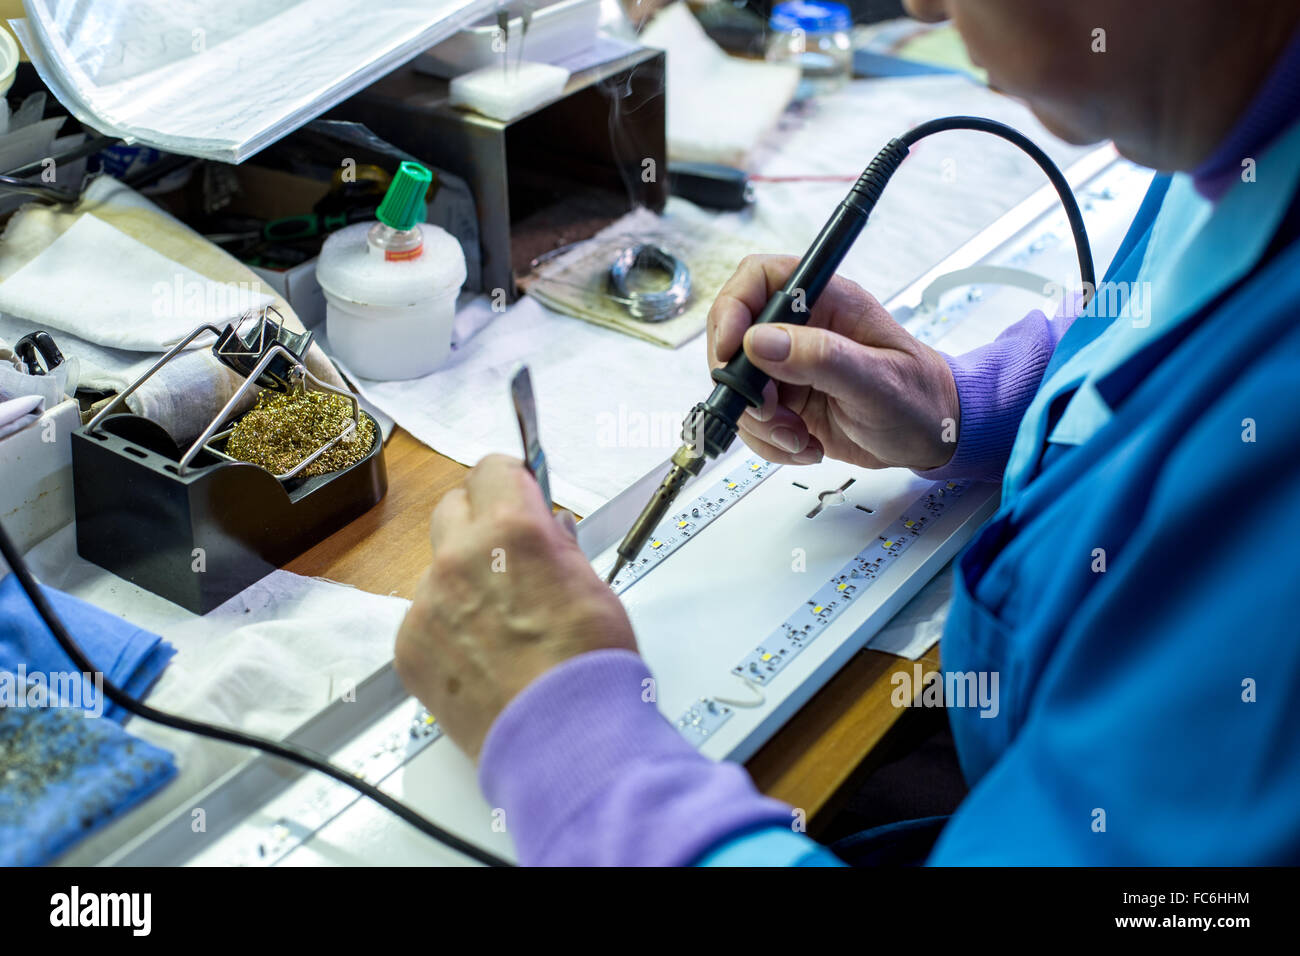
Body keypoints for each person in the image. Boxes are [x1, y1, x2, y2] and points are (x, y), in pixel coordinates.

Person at [394, 0, 1300, 865]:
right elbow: (1154, 315)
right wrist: (965, 405)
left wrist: (577, 755)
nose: (923, 4)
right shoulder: (1237, 125)